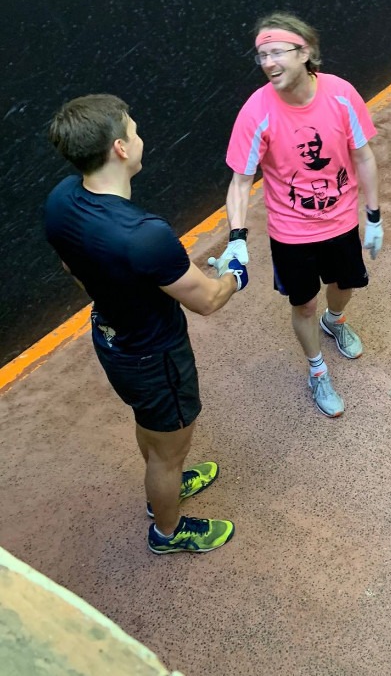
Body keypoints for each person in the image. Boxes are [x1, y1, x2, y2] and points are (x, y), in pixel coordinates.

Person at [45, 94, 248, 555]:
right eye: (133, 131)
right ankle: (167, 531)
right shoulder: (145, 234)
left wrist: (116, 292)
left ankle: (165, 483)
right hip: (156, 358)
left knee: (153, 429)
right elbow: (208, 300)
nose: (140, 137)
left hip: (111, 338)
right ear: (119, 148)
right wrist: (236, 271)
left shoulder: (61, 200)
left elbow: (70, 267)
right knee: (169, 450)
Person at [209, 12, 383, 418]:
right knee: (303, 305)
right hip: (291, 232)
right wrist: (236, 237)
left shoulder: (341, 95)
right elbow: (240, 182)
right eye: (262, 55)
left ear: (305, 52)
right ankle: (317, 370)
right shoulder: (256, 112)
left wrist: (373, 216)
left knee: (344, 284)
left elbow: (363, 156)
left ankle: (334, 321)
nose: (268, 63)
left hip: (341, 221)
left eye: (277, 53)